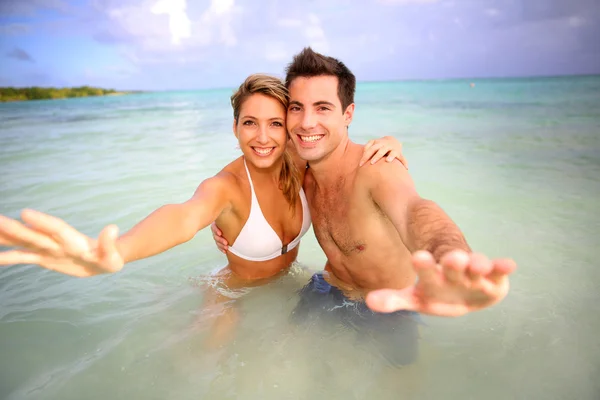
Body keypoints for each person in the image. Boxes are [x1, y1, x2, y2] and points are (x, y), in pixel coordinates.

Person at [0, 74, 406, 346]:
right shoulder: (223, 187)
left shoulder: (300, 165)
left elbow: (340, 147)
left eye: (275, 124)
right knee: (206, 362)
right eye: (249, 123)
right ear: (235, 129)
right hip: (231, 292)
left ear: (289, 131)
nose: (262, 137)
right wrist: (117, 251)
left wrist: (390, 142)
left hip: (286, 282)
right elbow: (183, 216)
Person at [211, 48, 517, 366]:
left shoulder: (376, 168)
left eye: (323, 107)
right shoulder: (299, 162)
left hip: (389, 304)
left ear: (348, 114)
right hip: (325, 287)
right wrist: (221, 218)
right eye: (297, 108)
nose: (307, 122)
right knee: (287, 365)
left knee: (396, 384)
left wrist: (451, 258)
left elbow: (415, 210)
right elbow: (248, 173)